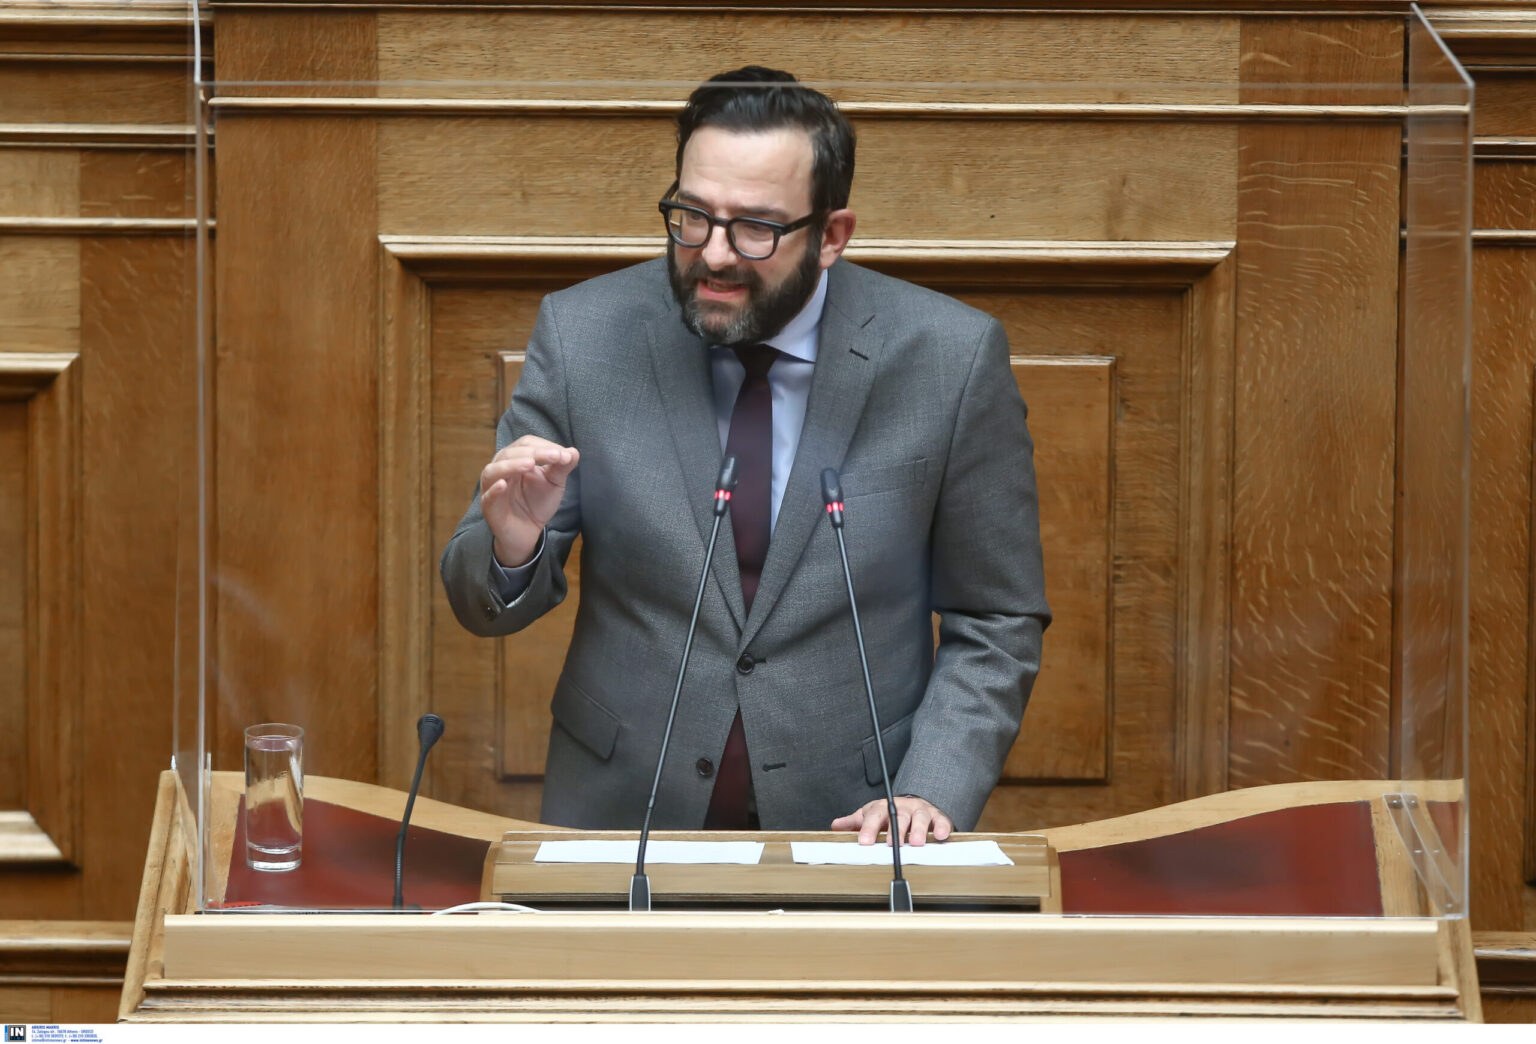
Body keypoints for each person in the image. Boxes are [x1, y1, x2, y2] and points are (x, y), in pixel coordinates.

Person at [441, 66, 1049, 846]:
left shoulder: (949, 359)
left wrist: (931, 786)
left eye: (756, 228)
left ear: (832, 236)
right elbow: (481, 601)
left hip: (859, 827)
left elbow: (996, 616)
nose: (715, 255)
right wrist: (512, 548)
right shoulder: (584, 336)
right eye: (692, 216)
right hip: (622, 814)